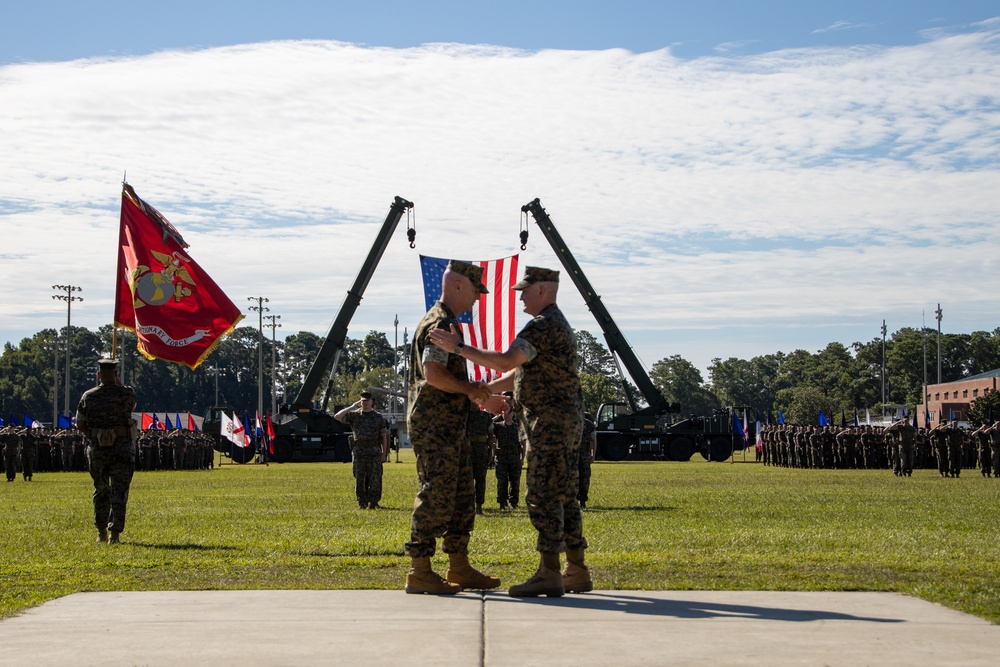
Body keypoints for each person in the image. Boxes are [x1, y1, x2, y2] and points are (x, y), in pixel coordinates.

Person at [429, 265, 590, 597]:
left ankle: (549, 573)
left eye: (524, 292)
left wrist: (459, 348)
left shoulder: (543, 326)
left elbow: (506, 361)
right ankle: (576, 569)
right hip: (563, 420)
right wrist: (484, 391)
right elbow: (519, 375)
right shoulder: (556, 324)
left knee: (544, 494)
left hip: (549, 423)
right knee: (565, 493)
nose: (520, 299)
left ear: (541, 291)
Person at [404, 259, 503, 595]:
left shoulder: (448, 323)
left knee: (462, 494)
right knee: (438, 493)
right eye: (476, 290)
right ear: (459, 285)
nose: (478, 298)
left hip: (450, 424)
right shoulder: (440, 324)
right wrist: (474, 391)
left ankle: (458, 566)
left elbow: (446, 374)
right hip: (435, 425)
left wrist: (474, 391)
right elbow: (434, 375)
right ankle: (420, 570)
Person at [76, 358, 138, 544]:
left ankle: (101, 532)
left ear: (98, 375)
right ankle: (115, 535)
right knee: (119, 491)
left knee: (101, 489)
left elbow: (80, 424)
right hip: (122, 449)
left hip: (98, 448)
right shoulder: (127, 394)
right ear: (116, 374)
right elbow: (130, 404)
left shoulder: (88, 396)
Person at [334, 391, 389, 509]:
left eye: (367, 401)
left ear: (371, 402)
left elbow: (384, 436)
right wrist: (351, 407)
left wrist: (384, 454)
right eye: (363, 401)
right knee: (359, 477)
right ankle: (362, 502)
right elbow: (337, 416)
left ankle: (374, 502)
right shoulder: (354, 415)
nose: (365, 403)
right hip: (359, 450)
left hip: (374, 450)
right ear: (360, 403)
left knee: (375, 477)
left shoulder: (378, 417)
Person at [493, 394, 524, 509]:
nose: (507, 414)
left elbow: (523, 444)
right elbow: (487, 424)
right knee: (502, 481)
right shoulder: (498, 426)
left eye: (509, 411)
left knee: (515, 481)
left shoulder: (517, 427)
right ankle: (502, 502)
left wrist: (522, 457)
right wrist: (497, 416)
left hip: (514, 456)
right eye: (505, 412)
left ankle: (514, 502)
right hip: (501, 457)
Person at [467, 405, 494, 515]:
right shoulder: (465, 415)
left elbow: (491, 435)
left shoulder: (485, 416)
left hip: (481, 451)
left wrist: (491, 454)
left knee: (480, 479)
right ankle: (468, 506)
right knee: (467, 479)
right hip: (467, 450)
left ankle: (479, 506)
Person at [577, 413, 596, 508]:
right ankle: (581, 501)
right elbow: (594, 440)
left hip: (576, 454)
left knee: (581, 477)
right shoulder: (589, 424)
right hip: (583, 453)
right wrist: (593, 455)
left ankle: (581, 500)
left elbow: (593, 440)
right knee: (584, 477)